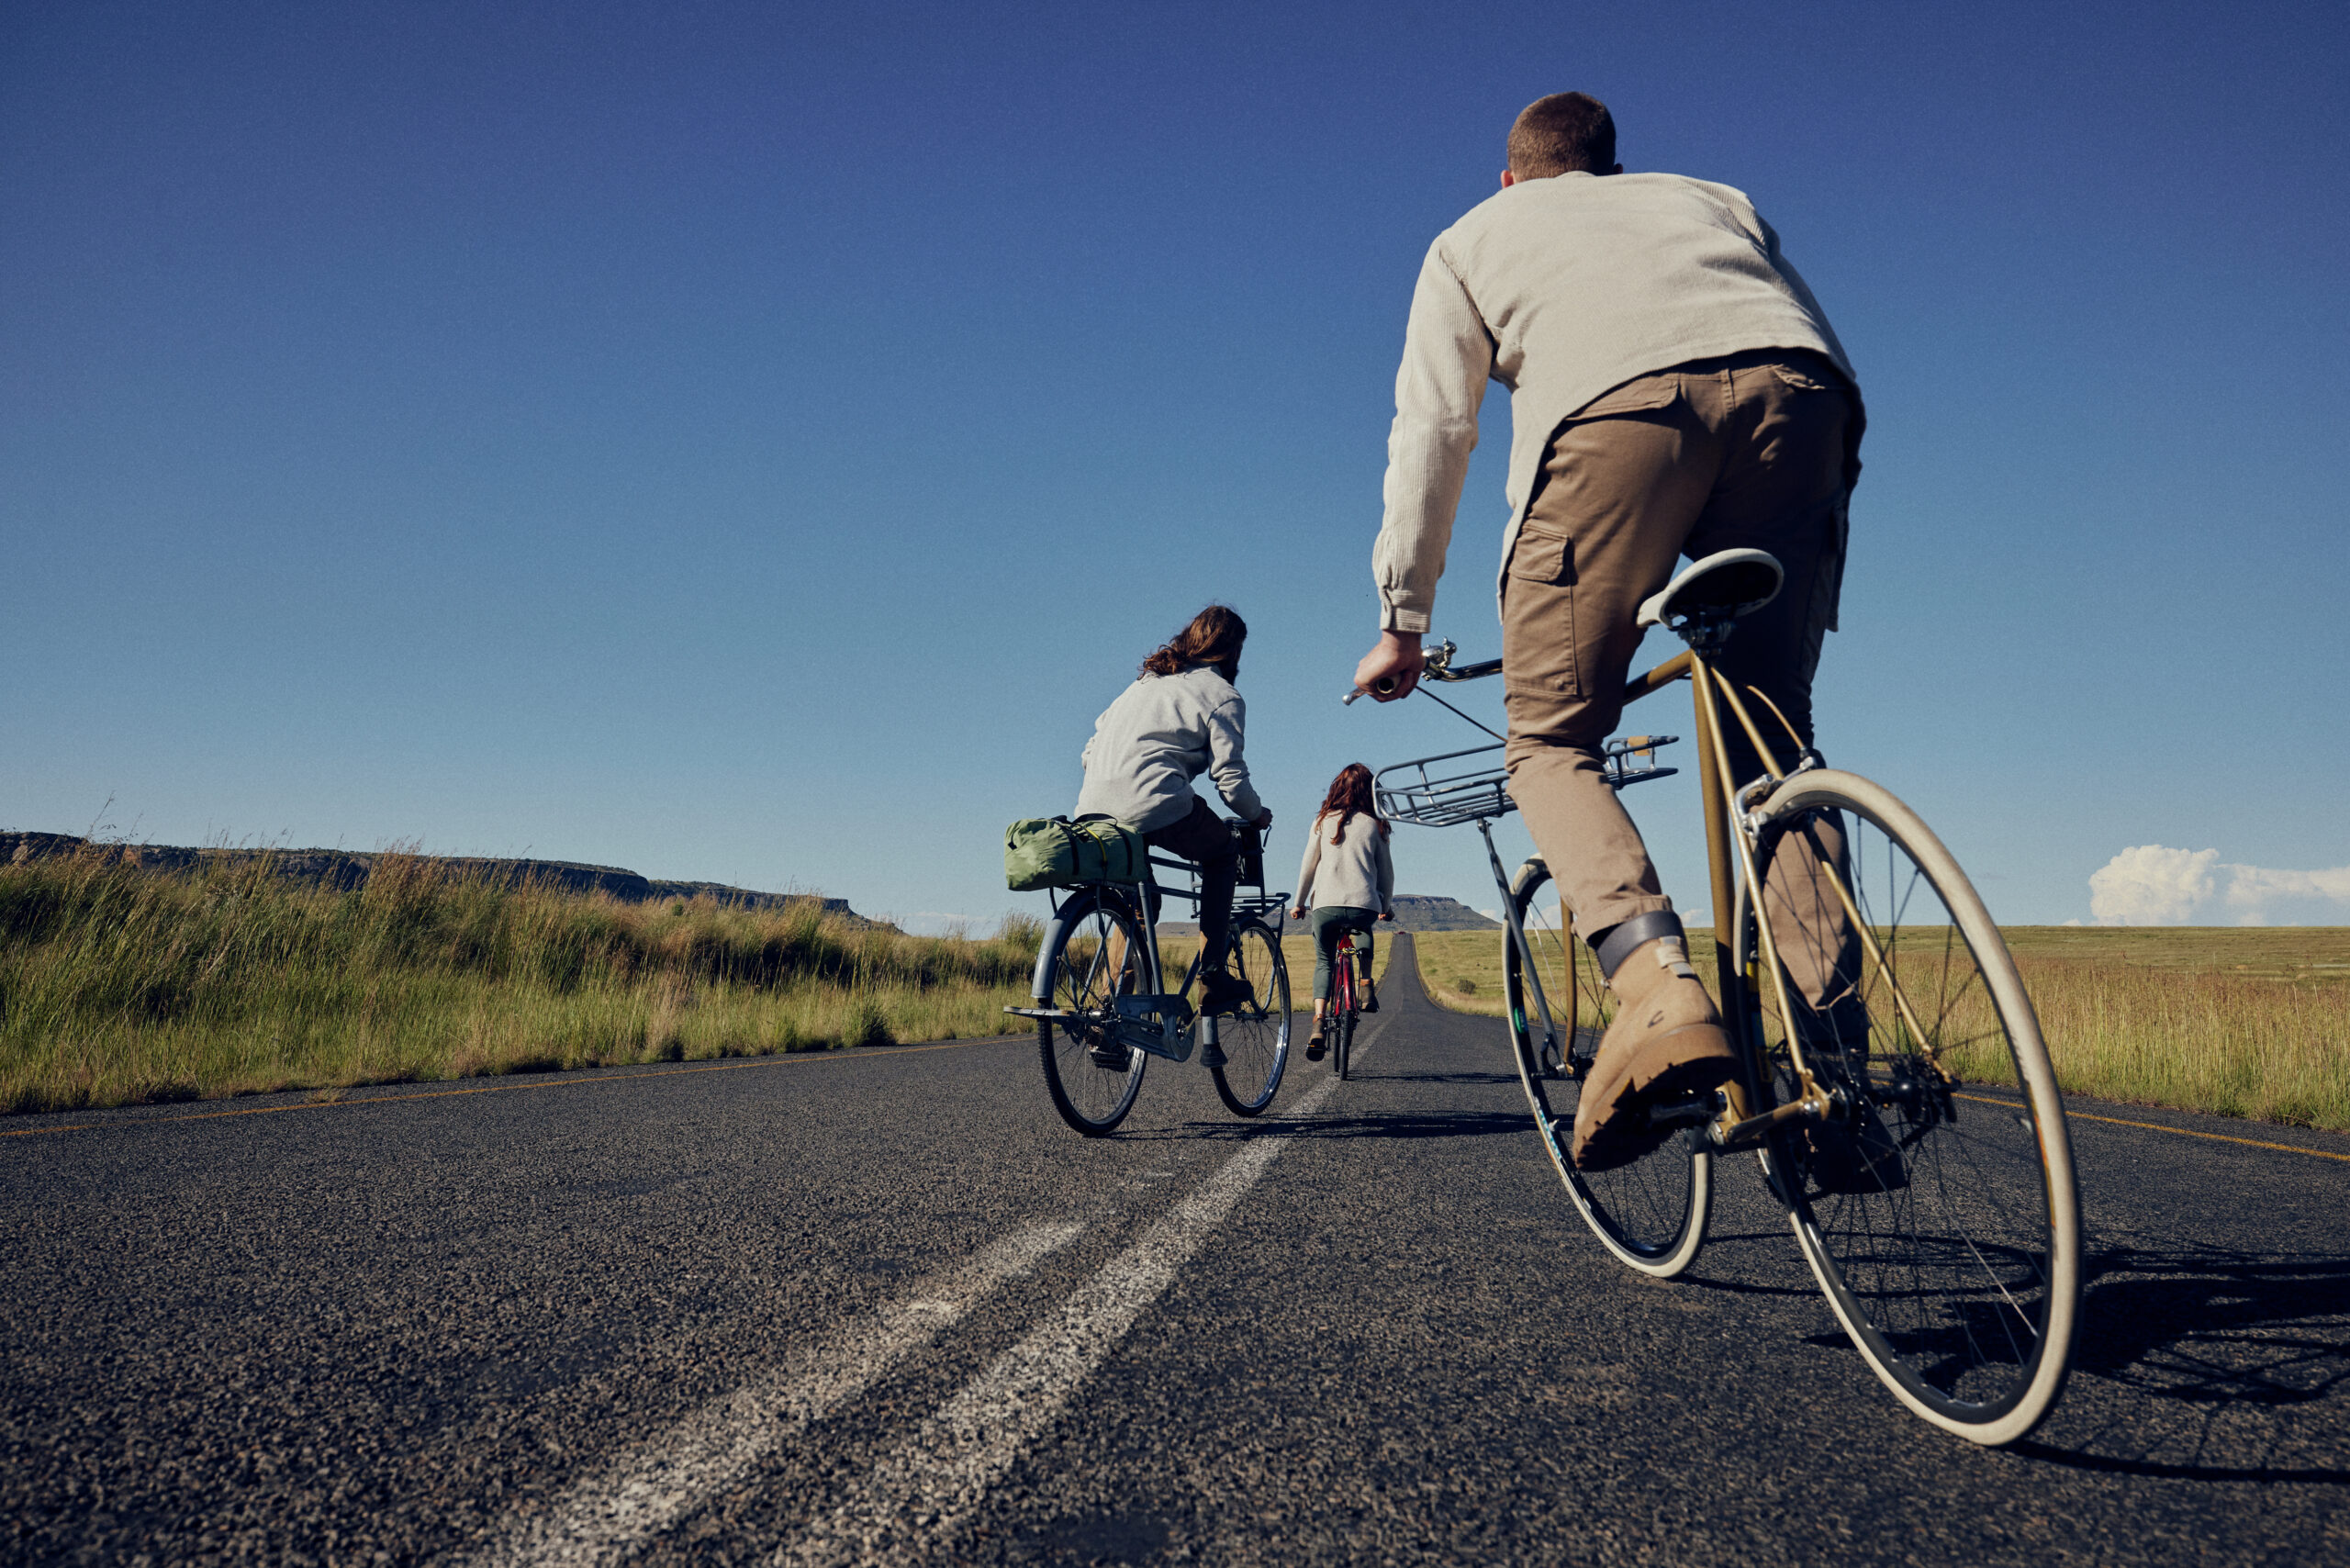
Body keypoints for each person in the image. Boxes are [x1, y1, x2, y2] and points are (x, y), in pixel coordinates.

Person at [1352, 93, 1865, 1171]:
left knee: (1548, 741)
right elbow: (1777, 308)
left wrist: (1402, 620)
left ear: (1510, 179)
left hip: (1617, 417)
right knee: (1772, 745)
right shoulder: (1708, 198)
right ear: (1611, 166)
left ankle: (1654, 989)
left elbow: (1435, 428)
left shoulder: (1468, 238)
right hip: (1805, 391)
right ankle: (1842, 1069)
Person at [1078, 604, 1273, 1029]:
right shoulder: (1222, 695)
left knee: (1139, 900)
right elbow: (1231, 783)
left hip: (1093, 808)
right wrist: (1257, 815)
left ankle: (1111, 1015)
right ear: (1232, 650)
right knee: (1222, 855)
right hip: (1153, 801)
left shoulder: (1142, 685)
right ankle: (1214, 976)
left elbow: (1088, 751)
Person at [1290, 763, 1395, 1061]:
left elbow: (1308, 865)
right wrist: (1384, 907)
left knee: (1325, 962)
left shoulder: (1323, 821)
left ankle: (1319, 1023)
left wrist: (1298, 902)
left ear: (1337, 788)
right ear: (1370, 792)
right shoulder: (1377, 824)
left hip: (1325, 906)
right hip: (1364, 906)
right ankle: (1365, 984)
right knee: (1363, 929)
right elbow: (1387, 875)